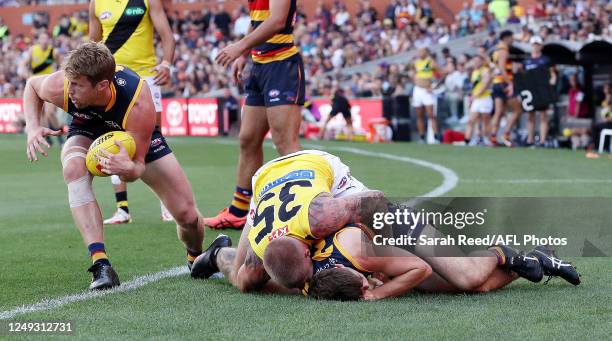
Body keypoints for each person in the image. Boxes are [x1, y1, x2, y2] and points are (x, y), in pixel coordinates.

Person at [23, 43, 206, 290]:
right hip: (88, 127)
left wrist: (127, 169)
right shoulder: (63, 85)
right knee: (73, 168)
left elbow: (137, 168)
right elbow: (32, 85)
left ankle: (196, 257)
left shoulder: (138, 100)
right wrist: (33, 127)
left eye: (77, 85)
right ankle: (101, 264)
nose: (70, 89)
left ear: (101, 85)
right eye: (70, 82)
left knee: (188, 217)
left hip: (132, 132)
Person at [191, 150, 387, 292]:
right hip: (265, 180)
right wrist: (307, 290)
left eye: (307, 279)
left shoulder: (322, 216)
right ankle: (216, 253)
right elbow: (244, 280)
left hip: (312, 163)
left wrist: (381, 267)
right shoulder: (260, 249)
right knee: (241, 280)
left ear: (306, 253)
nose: (309, 283)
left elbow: (377, 199)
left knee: (397, 235)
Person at [205, 0, 305, 230]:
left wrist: (240, 47)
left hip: (282, 65)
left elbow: (277, 21)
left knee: (285, 143)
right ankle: (239, 212)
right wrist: (245, 54)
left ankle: (306, 209)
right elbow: (258, 20)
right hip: (260, 66)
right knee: (248, 139)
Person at [307, 225, 579, 301]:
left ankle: (500, 252)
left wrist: (377, 293)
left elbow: (418, 268)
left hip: (404, 228)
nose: (367, 287)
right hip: (394, 252)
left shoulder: (352, 249)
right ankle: (538, 256)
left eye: (364, 283)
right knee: (476, 289)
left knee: (468, 278)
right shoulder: (317, 286)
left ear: (341, 267)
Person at [89, 0, 176, 224]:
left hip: (146, 77)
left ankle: (167, 204)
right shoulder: (96, 3)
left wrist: (166, 64)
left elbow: (166, 35)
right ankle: (122, 209)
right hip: (113, 78)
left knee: (154, 138)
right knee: (113, 138)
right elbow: (93, 45)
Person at [22, 31, 64, 147]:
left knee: (50, 113)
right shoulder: (33, 50)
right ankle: (48, 138)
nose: (44, 41)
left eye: (46, 39)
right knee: (42, 115)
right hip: (35, 86)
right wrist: (27, 75)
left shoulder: (53, 52)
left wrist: (56, 77)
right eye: (42, 38)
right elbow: (23, 64)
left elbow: (63, 66)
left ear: (49, 40)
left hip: (49, 85)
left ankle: (60, 135)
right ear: (39, 40)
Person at [522, 36, 556, 146]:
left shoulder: (546, 60)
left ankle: (542, 140)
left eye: (538, 44)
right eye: (534, 44)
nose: (536, 46)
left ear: (541, 46)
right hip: (530, 90)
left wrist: (552, 81)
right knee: (530, 115)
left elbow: (552, 74)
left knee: (542, 115)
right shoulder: (526, 61)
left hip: (542, 90)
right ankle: (530, 140)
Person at [489, 30, 521, 147]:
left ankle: (493, 137)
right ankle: (506, 134)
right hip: (503, 84)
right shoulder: (503, 51)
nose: (513, 40)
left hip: (496, 83)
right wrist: (510, 84)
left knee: (498, 112)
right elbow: (502, 69)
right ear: (506, 38)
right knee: (517, 109)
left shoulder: (495, 50)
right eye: (512, 37)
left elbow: (494, 68)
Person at [411, 47, 442, 144]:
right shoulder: (416, 62)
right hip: (417, 90)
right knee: (419, 115)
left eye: (421, 51)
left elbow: (441, 74)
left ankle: (436, 137)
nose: (419, 53)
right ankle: (421, 137)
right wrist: (415, 80)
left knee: (431, 115)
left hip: (427, 91)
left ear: (427, 52)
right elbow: (414, 73)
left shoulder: (431, 62)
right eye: (419, 51)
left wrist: (434, 86)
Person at [464, 54, 494, 145]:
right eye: (474, 61)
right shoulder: (474, 72)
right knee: (471, 120)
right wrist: (472, 96)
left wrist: (475, 95)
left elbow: (484, 85)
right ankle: (467, 140)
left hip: (484, 99)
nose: (475, 63)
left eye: (477, 61)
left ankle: (487, 139)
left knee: (486, 121)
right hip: (476, 99)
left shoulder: (485, 71)